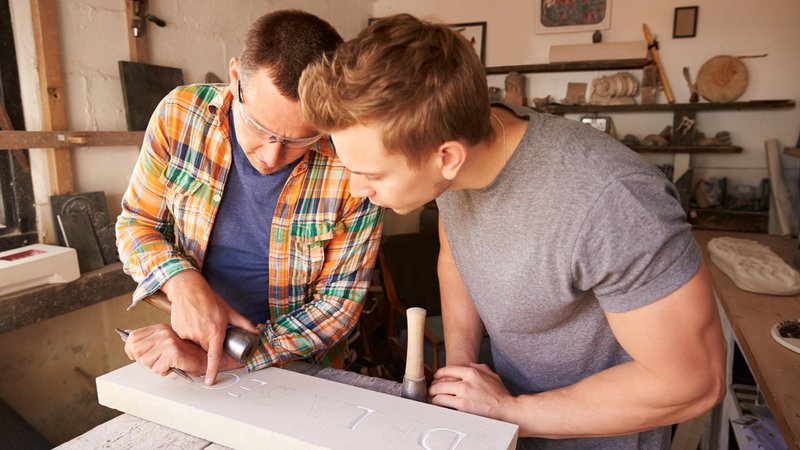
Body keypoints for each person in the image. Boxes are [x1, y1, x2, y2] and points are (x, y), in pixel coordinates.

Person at [298, 14, 725, 448]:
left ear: (447, 157)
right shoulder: (451, 160)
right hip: (507, 425)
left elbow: (691, 383)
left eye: (371, 174)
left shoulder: (612, 202)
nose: (356, 190)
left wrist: (507, 412)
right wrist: (460, 371)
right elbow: (456, 255)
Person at [115, 10, 383, 387]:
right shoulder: (179, 117)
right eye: (259, 128)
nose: (272, 156)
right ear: (235, 77)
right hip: (197, 347)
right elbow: (137, 224)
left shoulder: (352, 161)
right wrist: (180, 281)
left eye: (299, 140)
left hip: (304, 369)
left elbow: (337, 305)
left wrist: (237, 355)